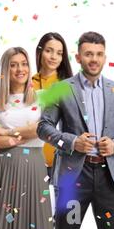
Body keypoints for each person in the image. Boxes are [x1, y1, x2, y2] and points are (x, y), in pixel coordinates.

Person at [37, 31, 114, 229]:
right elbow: (43, 127)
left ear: (104, 57)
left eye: (99, 54)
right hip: (73, 177)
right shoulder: (61, 88)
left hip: (108, 177)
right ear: (78, 57)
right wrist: (72, 142)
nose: (94, 59)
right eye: (88, 54)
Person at [0, 47, 54, 229]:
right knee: (6, 217)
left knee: (36, 219)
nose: (20, 69)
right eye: (13, 65)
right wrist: (20, 136)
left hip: (36, 167)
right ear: (5, 70)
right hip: (5, 168)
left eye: (23, 64)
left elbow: (41, 130)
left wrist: (8, 132)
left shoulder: (42, 99)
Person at [32, 32, 73, 177]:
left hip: (62, 159)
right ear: (40, 51)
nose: (54, 57)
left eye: (59, 53)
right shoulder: (28, 83)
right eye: (49, 51)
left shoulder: (69, 86)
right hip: (32, 158)